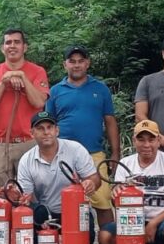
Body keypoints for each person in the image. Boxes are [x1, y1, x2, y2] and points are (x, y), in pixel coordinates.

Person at [45, 45, 120, 226]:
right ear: (65, 65)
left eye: (81, 61)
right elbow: (48, 124)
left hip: (93, 153)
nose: (76, 65)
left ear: (87, 63)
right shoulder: (55, 91)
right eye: (72, 61)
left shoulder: (100, 89)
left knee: (103, 201)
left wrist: (115, 153)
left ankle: (108, 241)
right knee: (61, 202)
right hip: (62, 155)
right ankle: (65, 241)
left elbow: (110, 121)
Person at [0, 29, 50, 191]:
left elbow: (39, 101)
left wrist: (23, 77)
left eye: (17, 42)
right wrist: (3, 83)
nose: (12, 46)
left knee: (31, 193)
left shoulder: (37, 71)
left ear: (25, 47)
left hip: (29, 143)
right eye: (8, 42)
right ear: (2, 48)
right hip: (0, 145)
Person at [15, 111, 98, 244]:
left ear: (57, 130)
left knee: (86, 239)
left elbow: (95, 178)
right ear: (32, 133)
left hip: (75, 210)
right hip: (46, 211)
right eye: (40, 128)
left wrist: (90, 183)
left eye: (50, 127)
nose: (46, 132)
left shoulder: (75, 149)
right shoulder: (26, 160)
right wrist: (20, 197)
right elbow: (27, 198)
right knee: (31, 228)